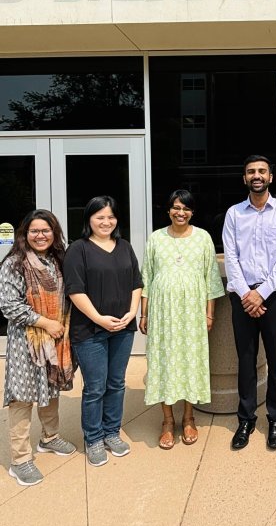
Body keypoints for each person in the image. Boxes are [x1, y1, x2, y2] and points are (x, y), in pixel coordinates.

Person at [222, 154, 276, 450]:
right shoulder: (233, 214)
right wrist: (246, 294)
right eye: (251, 171)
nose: (257, 175)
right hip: (242, 295)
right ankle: (246, 418)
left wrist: (261, 293)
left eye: (262, 171)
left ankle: (275, 418)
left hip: (274, 295)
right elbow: (231, 257)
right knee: (246, 359)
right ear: (245, 178)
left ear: (270, 177)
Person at [140, 189, 224, 449]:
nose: (181, 212)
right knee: (164, 360)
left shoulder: (203, 238)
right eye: (176, 207)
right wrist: (144, 313)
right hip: (163, 313)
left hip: (192, 313)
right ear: (168, 210)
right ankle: (167, 420)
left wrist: (209, 313)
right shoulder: (156, 238)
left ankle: (188, 418)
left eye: (186, 208)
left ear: (192, 212)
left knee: (190, 361)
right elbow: (147, 277)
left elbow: (210, 278)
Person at [63, 196, 143, 467]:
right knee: (95, 387)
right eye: (100, 217)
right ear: (89, 219)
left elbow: (136, 282)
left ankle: (111, 432)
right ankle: (94, 438)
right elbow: (75, 290)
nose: (105, 222)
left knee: (116, 383)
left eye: (110, 217)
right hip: (90, 330)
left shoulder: (124, 247)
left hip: (123, 328)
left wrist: (132, 312)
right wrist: (99, 318)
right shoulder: (78, 249)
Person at [0, 210, 75, 486]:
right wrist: (45, 323)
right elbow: (9, 305)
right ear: (25, 234)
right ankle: (20, 460)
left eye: (46, 230)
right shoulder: (15, 263)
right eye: (34, 231)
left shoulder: (59, 260)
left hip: (55, 338)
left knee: (51, 386)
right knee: (22, 396)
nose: (40, 235)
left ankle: (50, 437)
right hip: (26, 340)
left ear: (54, 234)